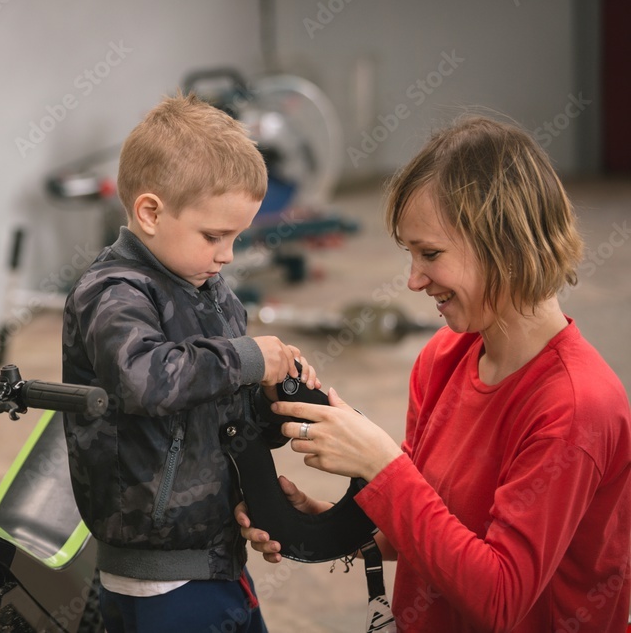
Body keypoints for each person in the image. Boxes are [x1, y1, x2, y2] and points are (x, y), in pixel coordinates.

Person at [237, 114, 631, 631]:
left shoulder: (576, 408)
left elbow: (500, 599)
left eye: (431, 254)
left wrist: (383, 468)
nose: (415, 280)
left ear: (505, 244)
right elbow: (432, 526)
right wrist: (325, 525)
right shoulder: (443, 357)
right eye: (410, 254)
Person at [62, 92, 319, 633]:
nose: (227, 254)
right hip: (159, 581)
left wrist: (275, 405)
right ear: (150, 212)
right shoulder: (113, 292)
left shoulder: (215, 293)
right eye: (213, 236)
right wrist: (249, 357)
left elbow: (225, 413)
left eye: (236, 237)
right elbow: (145, 380)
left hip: (219, 558)